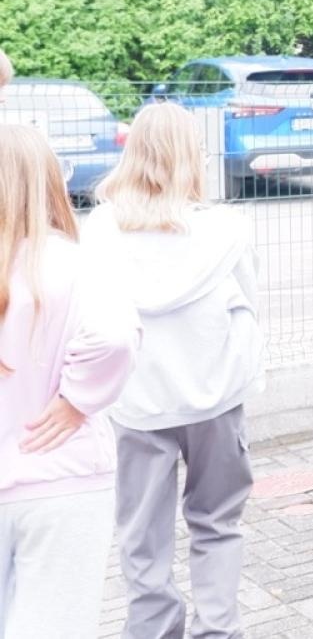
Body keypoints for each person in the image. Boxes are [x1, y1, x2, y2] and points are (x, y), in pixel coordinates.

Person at [80, 102, 263, 639]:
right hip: (216, 400)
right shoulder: (228, 229)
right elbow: (250, 308)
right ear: (192, 156)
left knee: (141, 536)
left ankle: (153, 631)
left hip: (136, 403)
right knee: (217, 525)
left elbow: (92, 319)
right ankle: (218, 630)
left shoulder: (100, 230)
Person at [0, 123, 140, 639]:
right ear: (47, 181)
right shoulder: (76, 262)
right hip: (63, 480)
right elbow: (116, 338)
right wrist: (78, 399)